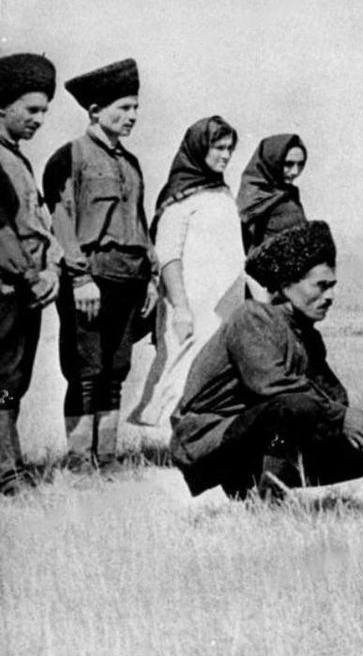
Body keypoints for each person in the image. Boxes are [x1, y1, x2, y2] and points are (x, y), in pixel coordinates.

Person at [170, 220, 363, 500]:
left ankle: (258, 487)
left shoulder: (307, 336)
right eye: (321, 286)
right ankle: (269, 501)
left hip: (260, 431)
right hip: (207, 438)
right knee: (291, 408)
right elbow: (275, 388)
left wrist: (361, 424)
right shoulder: (252, 317)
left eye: (333, 286)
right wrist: (342, 417)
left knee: (361, 449)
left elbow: (333, 397)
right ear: (286, 285)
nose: (331, 296)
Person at [43, 58, 157, 469]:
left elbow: (140, 225)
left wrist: (151, 278)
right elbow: (62, 224)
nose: (132, 116)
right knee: (84, 370)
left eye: (136, 108)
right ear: (94, 111)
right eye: (123, 108)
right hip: (91, 281)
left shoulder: (131, 163)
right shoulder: (68, 158)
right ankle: (78, 461)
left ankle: (106, 459)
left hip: (129, 281)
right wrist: (80, 279)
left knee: (115, 371)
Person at [127, 116, 245, 426]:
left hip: (223, 299)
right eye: (217, 147)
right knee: (181, 366)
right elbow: (168, 256)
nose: (225, 155)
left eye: (230, 148)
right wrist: (180, 308)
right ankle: (170, 435)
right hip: (190, 300)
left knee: (216, 369)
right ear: (198, 148)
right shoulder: (179, 197)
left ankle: (200, 436)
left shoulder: (221, 193)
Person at [0, 53, 62, 495]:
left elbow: (39, 224)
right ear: (2, 105)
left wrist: (53, 268)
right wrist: (29, 274)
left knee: (12, 383)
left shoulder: (15, 158)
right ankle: (7, 474)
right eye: (31, 109)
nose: (39, 120)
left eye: (44, 111)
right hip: (8, 287)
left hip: (27, 289)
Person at [236, 133, 307, 255]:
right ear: (272, 160)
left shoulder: (288, 194)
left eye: (300, 164)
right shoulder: (254, 197)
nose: (295, 171)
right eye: (288, 164)